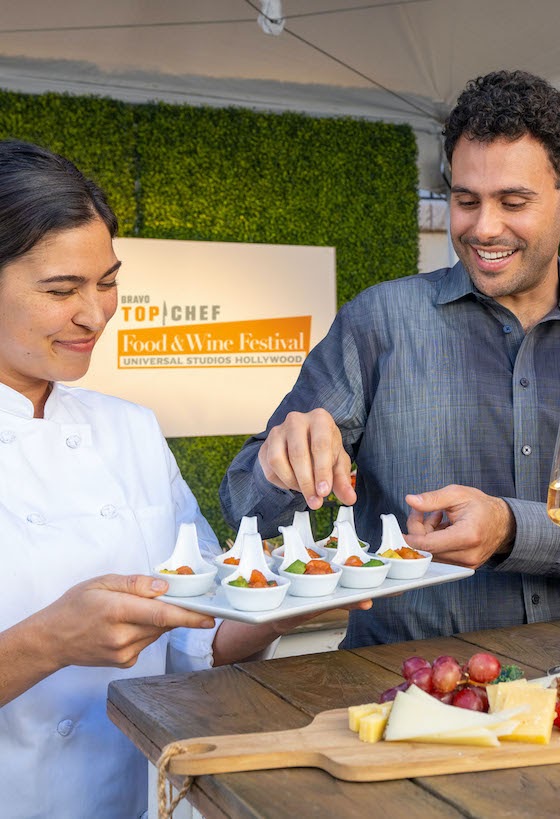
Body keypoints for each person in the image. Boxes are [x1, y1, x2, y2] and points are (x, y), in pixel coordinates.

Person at [221, 69, 560, 648]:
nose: (484, 228)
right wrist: (281, 464)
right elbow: (243, 504)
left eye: (513, 202)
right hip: (401, 686)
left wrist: (513, 529)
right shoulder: (379, 322)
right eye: (466, 201)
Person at [0, 139, 371, 816]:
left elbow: (198, 641)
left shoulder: (131, 430)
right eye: (61, 290)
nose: (95, 313)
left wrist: (279, 607)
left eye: (107, 281)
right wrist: (46, 642)